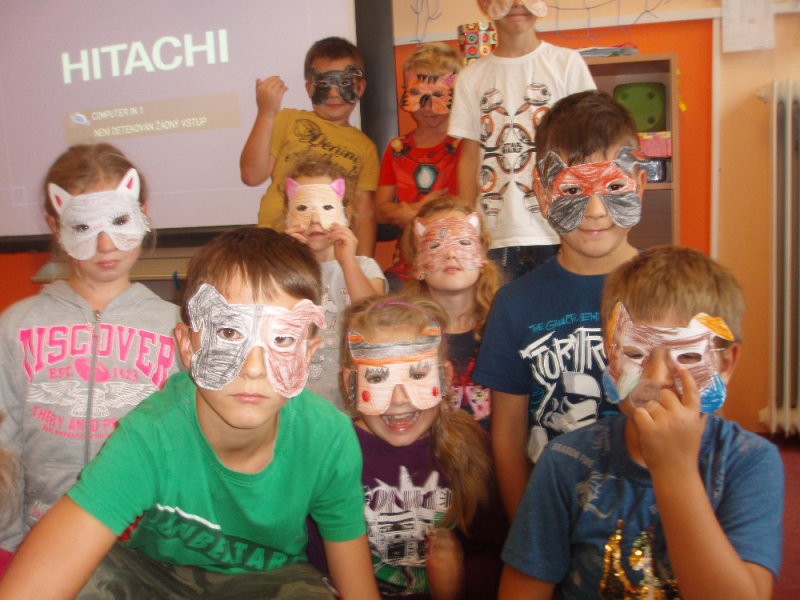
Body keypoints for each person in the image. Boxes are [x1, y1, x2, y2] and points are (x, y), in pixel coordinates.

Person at [0, 227, 380, 599]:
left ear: (308, 354)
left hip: (269, 580)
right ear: (185, 345)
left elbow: (356, 584)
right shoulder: (152, 432)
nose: (253, 368)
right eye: (228, 333)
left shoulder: (327, 437)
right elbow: (43, 575)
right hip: (153, 573)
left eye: (282, 339)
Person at [499, 246, 784, 599]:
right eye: (635, 354)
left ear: (725, 365)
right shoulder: (564, 462)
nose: (658, 378)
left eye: (687, 356)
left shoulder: (749, 461)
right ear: (610, 357)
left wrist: (675, 470)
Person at [474, 90, 647, 519]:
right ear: (542, 192)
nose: (595, 210)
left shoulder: (671, 291)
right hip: (553, 518)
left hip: (652, 518)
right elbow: (508, 435)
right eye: (571, 189)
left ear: (640, 184)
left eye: (614, 186)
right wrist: (526, 532)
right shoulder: (515, 304)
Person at [0, 143, 181, 556]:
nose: (104, 244)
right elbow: (4, 444)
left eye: (118, 221)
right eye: (83, 226)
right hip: (40, 538)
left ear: (142, 213)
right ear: (55, 225)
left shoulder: (174, 328)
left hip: (144, 543)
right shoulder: (16, 325)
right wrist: (9, 545)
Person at [322, 295, 505, 599]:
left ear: (445, 378)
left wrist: (457, 584)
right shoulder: (333, 456)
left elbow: (494, 551)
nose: (399, 400)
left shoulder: (473, 449)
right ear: (349, 383)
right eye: (377, 378)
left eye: (418, 375)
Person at [448, 0, 596, 282]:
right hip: (496, 232)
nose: (517, 3)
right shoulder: (471, 77)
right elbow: (469, 156)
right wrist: (467, 225)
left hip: (559, 229)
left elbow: (589, 146)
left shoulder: (566, 64)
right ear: (485, 4)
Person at [240, 36, 379, 257]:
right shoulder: (288, 120)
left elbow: (364, 213)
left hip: (330, 255)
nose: (333, 93)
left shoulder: (365, 148)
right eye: (324, 84)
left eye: (344, 83)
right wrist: (266, 113)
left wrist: (364, 266)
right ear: (310, 87)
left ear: (360, 87)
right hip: (278, 248)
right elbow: (252, 175)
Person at [284, 153, 386, 410]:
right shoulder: (281, 271)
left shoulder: (364, 267)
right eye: (303, 208)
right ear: (288, 215)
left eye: (326, 207)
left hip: (352, 404)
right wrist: (283, 259)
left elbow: (375, 318)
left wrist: (347, 261)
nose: (314, 220)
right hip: (296, 402)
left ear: (345, 215)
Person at [401, 197, 502, 428]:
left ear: (482, 257)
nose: (450, 255)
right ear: (417, 265)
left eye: (463, 242)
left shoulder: (505, 325)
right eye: (434, 245)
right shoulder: (404, 337)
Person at [375, 42, 463, 291]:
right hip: (406, 270)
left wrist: (418, 215)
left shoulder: (465, 147)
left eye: (438, 96)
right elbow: (380, 209)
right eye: (418, 95)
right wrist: (409, 213)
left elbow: (467, 207)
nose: (427, 107)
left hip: (454, 265)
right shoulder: (397, 148)